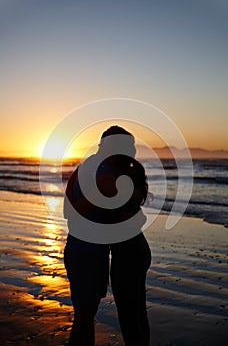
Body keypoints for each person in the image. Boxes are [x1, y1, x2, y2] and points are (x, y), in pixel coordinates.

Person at [64, 125, 151, 346]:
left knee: (128, 314)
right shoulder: (104, 171)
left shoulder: (97, 168)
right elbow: (135, 217)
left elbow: (69, 211)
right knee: (129, 314)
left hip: (116, 252)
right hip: (93, 253)